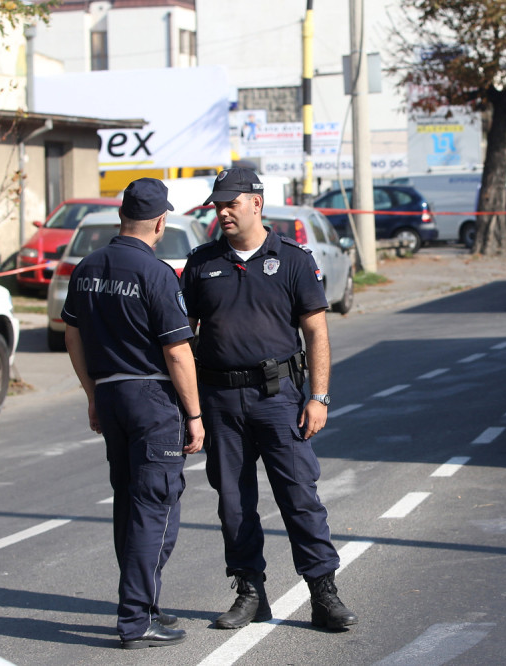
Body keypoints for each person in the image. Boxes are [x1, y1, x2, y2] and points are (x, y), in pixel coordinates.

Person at [180, 168, 358, 632]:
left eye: (230, 204)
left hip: (278, 397)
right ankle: (250, 592)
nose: (221, 212)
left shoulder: (294, 258)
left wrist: (318, 396)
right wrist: (190, 405)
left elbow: (316, 332)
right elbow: (186, 338)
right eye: (217, 205)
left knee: (299, 496)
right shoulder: (202, 264)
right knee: (234, 503)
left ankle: (323, 593)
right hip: (220, 400)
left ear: (255, 204)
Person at [62, 178, 204, 650]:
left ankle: (145, 603)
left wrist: (92, 393)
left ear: (122, 215)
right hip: (152, 399)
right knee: (156, 505)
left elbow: (72, 335)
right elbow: (178, 352)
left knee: (130, 503)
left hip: (110, 395)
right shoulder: (157, 272)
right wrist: (196, 414)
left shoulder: (86, 267)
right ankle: (136, 618)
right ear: (161, 221)